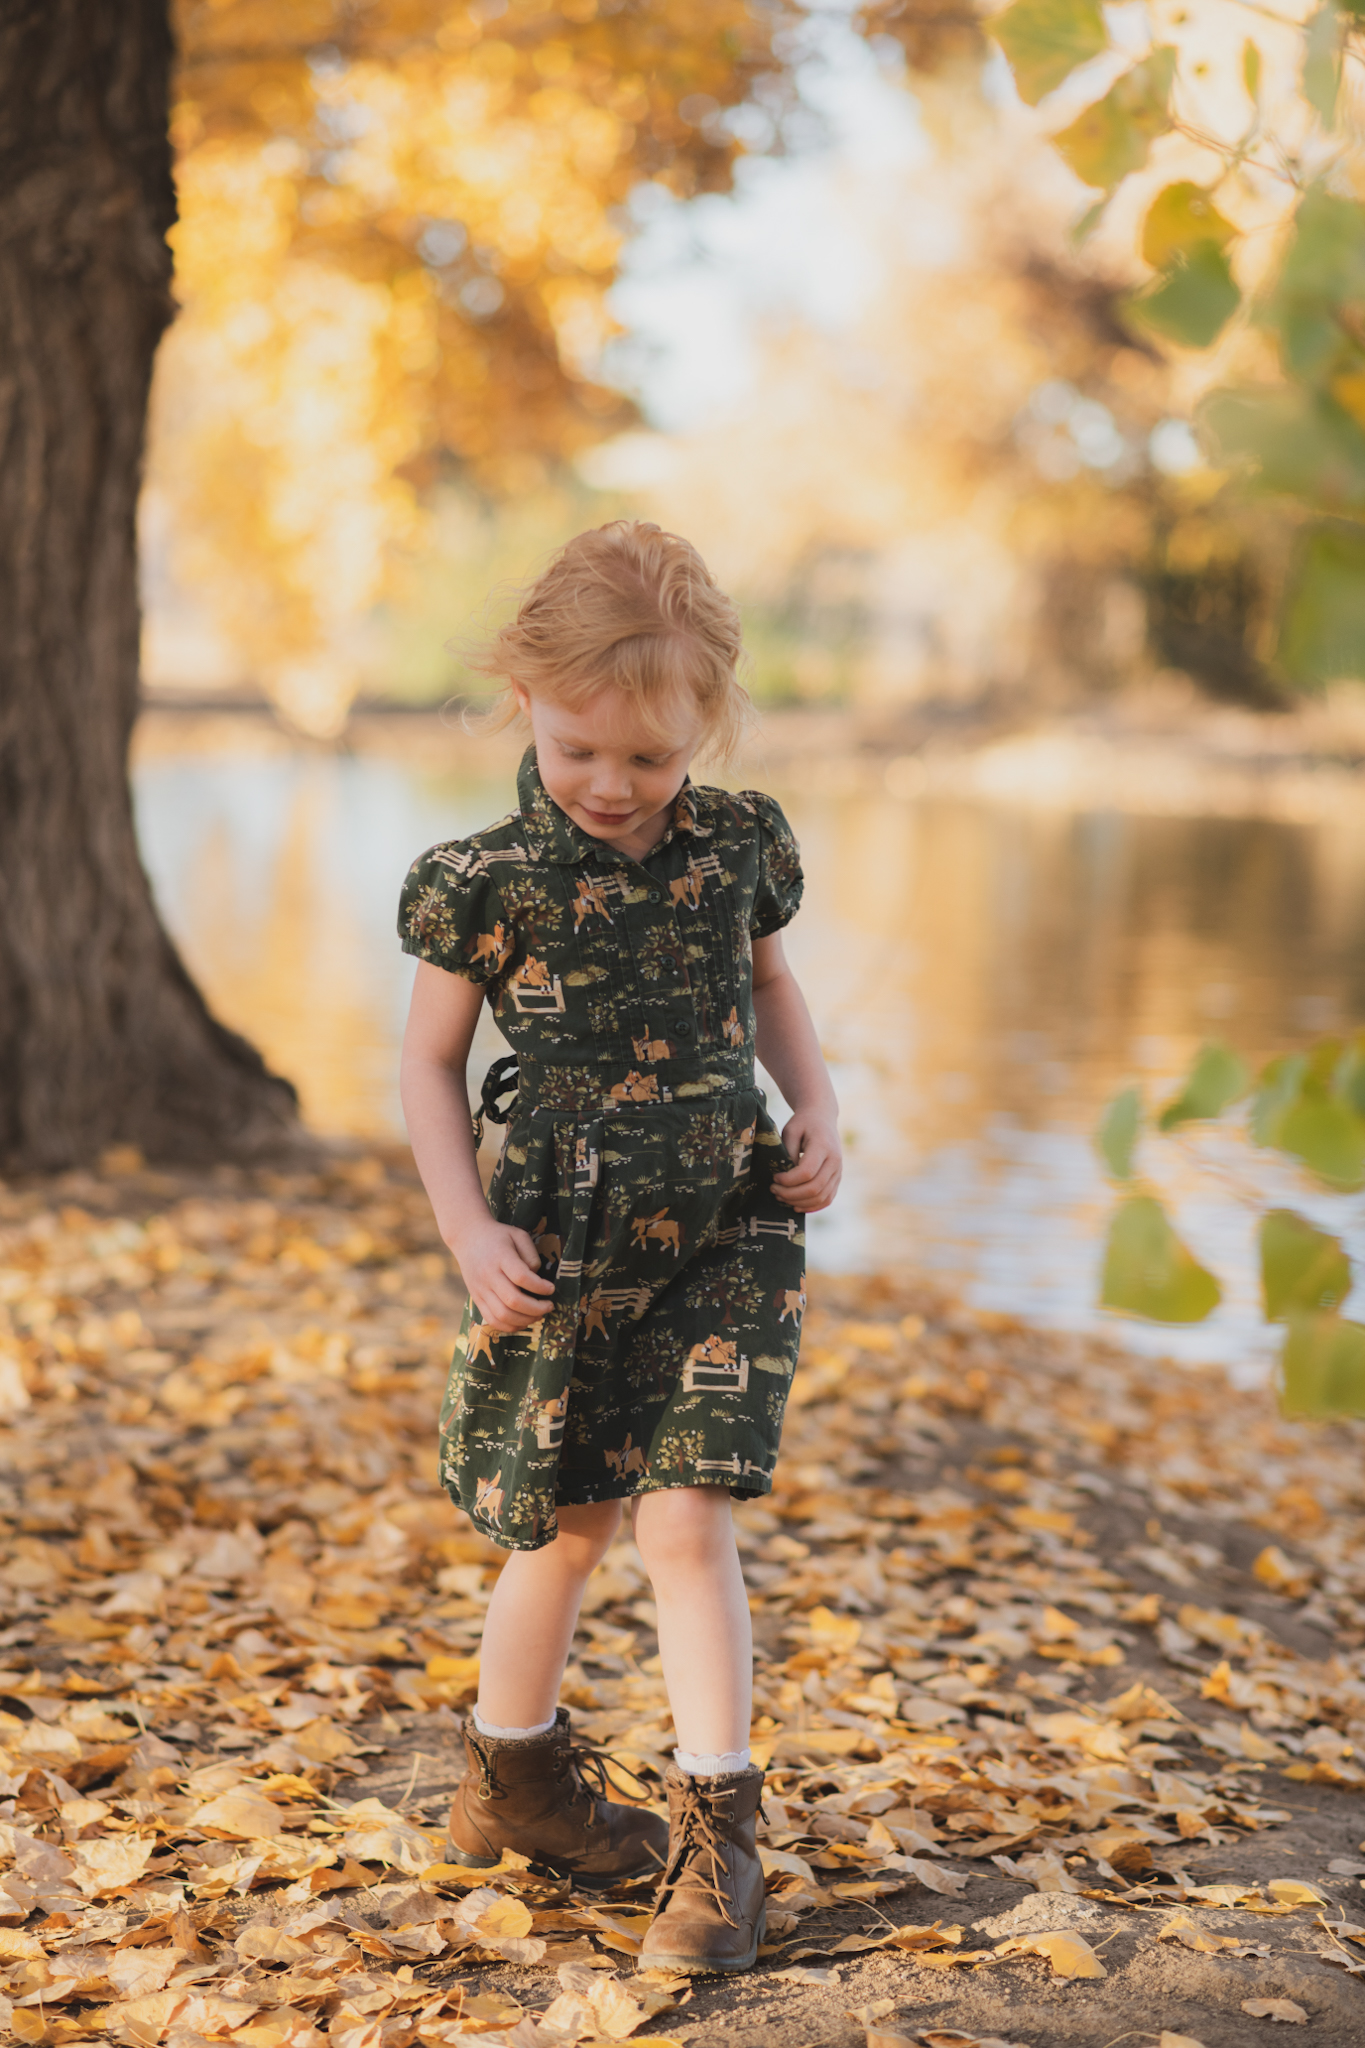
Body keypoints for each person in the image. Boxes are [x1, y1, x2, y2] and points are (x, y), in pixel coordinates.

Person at [397, 521, 841, 1974]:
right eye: (579, 747)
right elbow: (427, 1067)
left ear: (706, 719)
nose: (610, 783)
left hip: (726, 1225)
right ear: (523, 698)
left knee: (685, 1518)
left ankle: (720, 1838)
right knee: (567, 1523)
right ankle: (511, 1778)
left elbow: (773, 987)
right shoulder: (483, 880)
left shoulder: (739, 845)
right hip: (561, 1239)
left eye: (648, 757)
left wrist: (819, 1105)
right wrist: (467, 1228)